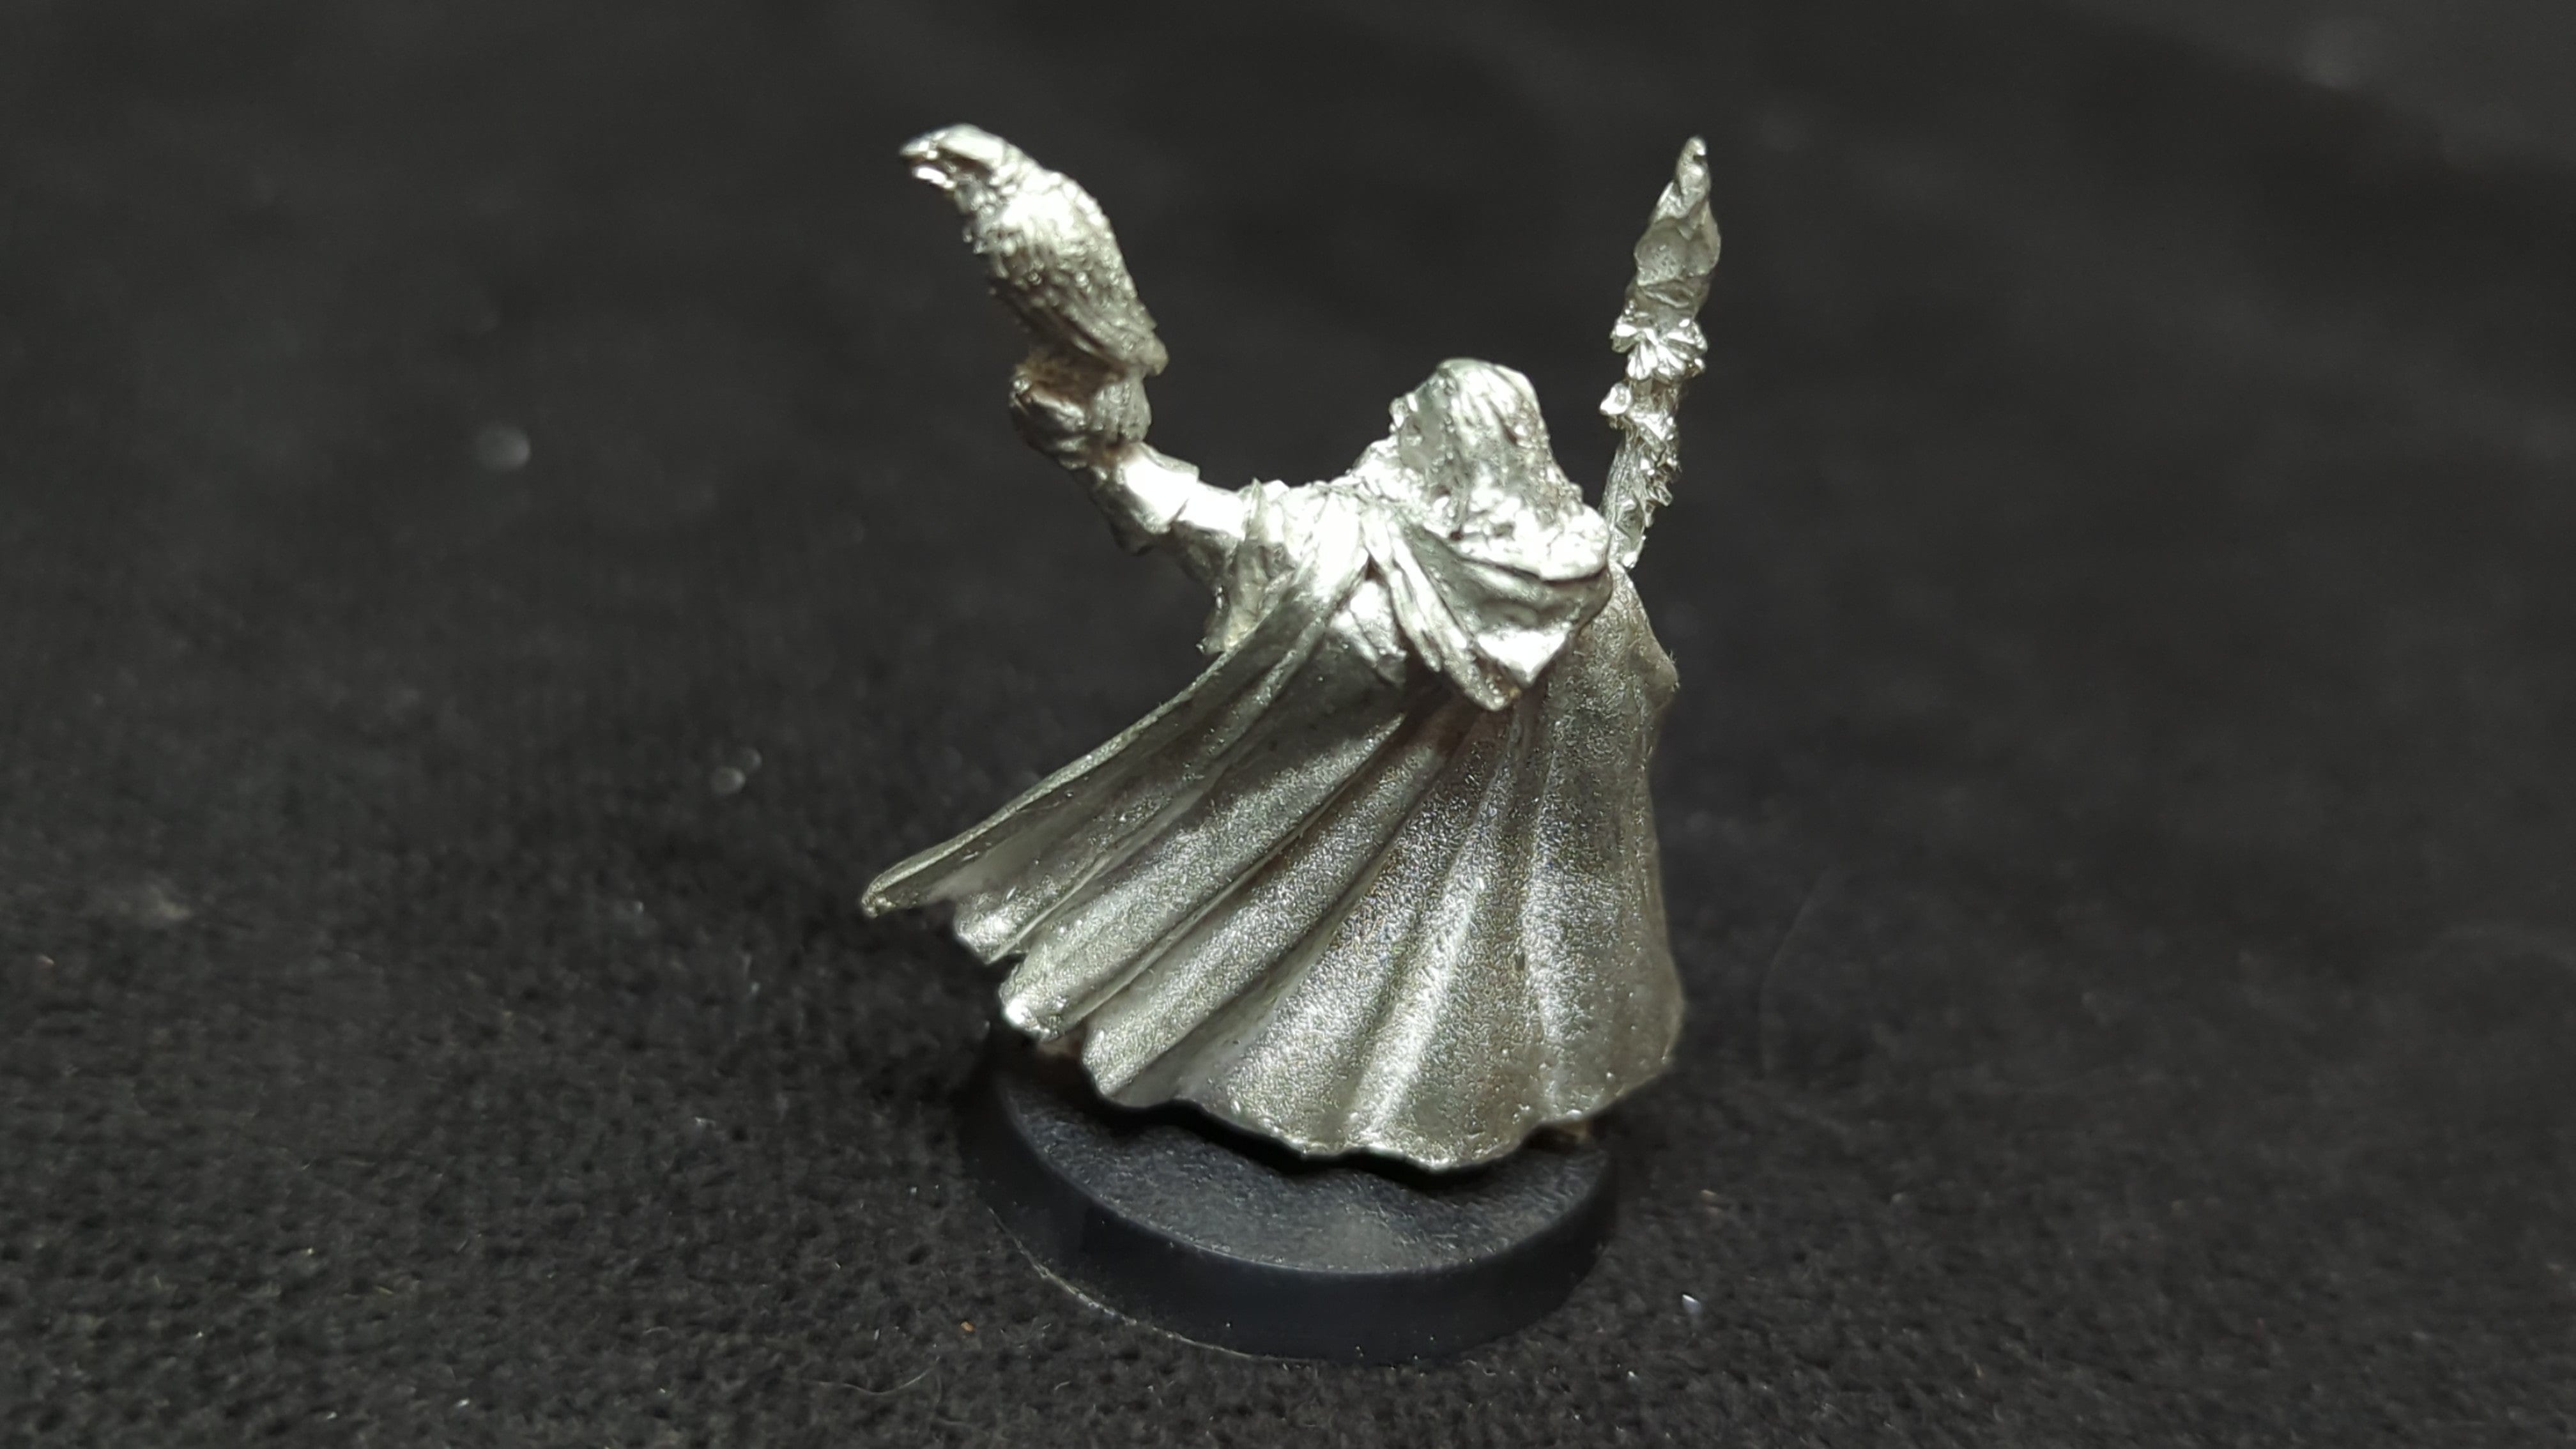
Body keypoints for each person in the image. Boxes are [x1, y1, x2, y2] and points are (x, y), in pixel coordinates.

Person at [866, 126, 1717, 1171]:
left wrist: (1106, 460)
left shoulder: (1387, 572)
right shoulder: (1575, 580)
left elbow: (1229, 531)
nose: (1392, 428)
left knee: (1281, 927)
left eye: (1415, 426)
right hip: (1381, 837)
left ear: (1454, 464)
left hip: (1417, 853)